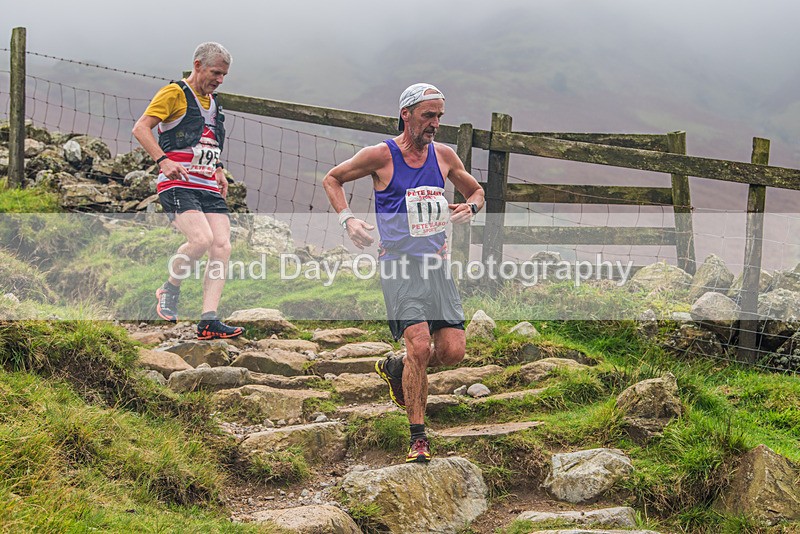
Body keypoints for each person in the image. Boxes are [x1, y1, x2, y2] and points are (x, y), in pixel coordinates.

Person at [322, 83, 485, 463]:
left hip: (436, 264)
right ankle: (418, 437)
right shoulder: (381, 155)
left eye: (440, 116)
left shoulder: (444, 156)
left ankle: (396, 368)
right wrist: (349, 220)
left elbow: (477, 191)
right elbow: (333, 178)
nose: (435, 124)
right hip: (397, 264)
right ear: (406, 114)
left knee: (452, 352)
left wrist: (470, 209)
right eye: (429, 115)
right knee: (419, 345)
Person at [132, 42, 243, 340]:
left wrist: (218, 168)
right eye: (215, 72)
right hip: (178, 182)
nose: (219, 80)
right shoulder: (174, 94)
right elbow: (141, 128)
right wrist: (163, 160)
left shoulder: (215, 103)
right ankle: (170, 287)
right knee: (201, 240)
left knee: (222, 246)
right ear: (197, 66)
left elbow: (207, 141)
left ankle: (208, 319)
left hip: (208, 184)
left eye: (224, 75)